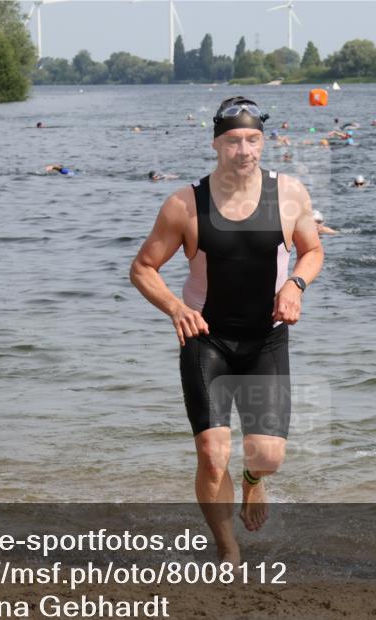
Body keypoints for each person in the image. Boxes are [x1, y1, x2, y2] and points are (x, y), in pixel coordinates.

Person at [130, 96, 324, 564]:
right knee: (213, 454)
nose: (244, 150)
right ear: (217, 144)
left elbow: (313, 251)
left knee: (268, 455)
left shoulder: (291, 193)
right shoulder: (184, 204)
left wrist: (296, 285)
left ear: (264, 141)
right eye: (234, 141)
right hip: (206, 340)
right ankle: (226, 546)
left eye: (253, 140)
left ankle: (254, 483)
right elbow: (142, 268)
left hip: (266, 339)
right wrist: (176, 308)